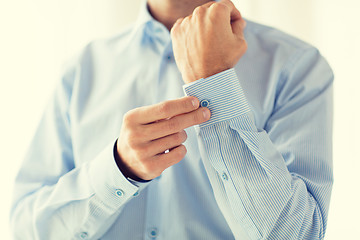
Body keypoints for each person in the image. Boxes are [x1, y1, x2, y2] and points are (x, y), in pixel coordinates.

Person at [10, 0, 334, 239]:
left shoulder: (297, 67)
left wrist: (214, 82)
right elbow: (25, 230)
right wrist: (118, 170)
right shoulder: (82, 68)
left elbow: (297, 235)